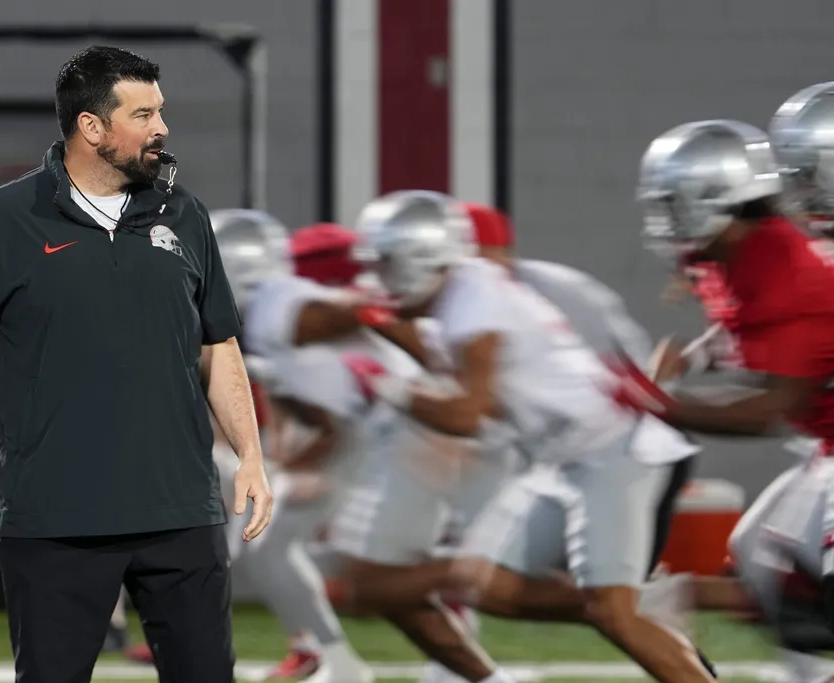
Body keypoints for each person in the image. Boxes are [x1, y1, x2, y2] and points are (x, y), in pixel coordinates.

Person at [0, 45, 273, 683]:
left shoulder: (185, 215)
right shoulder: (0, 221)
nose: (161, 128)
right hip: (56, 520)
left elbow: (219, 346)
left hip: (181, 512)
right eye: (143, 114)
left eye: (161, 111)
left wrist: (252, 455)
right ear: (91, 128)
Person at [343, 189, 715, 683]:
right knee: (485, 582)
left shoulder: (473, 305)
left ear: (424, 257)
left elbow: (468, 415)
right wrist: (385, 330)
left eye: (386, 262)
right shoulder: (465, 291)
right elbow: (467, 382)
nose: (378, 275)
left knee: (613, 613)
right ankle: (640, 604)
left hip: (614, 449)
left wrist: (385, 385)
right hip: (567, 455)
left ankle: (635, 609)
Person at [621, 116, 834, 683]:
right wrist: (688, 362)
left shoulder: (793, 269)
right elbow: (737, 325)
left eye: (673, 203)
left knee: (811, 587)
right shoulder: (736, 252)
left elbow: (770, 409)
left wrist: (659, 404)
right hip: (825, 443)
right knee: (761, 568)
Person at [213, 211, 378, 683]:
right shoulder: (265, 313)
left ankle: (333, 657)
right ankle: (325, 653)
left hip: (382, 431)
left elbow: (343, 398)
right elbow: (301, 398)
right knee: (263, 546)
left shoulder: (282, 306)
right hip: (355, 430)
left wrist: (314, 460)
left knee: (272, 547)